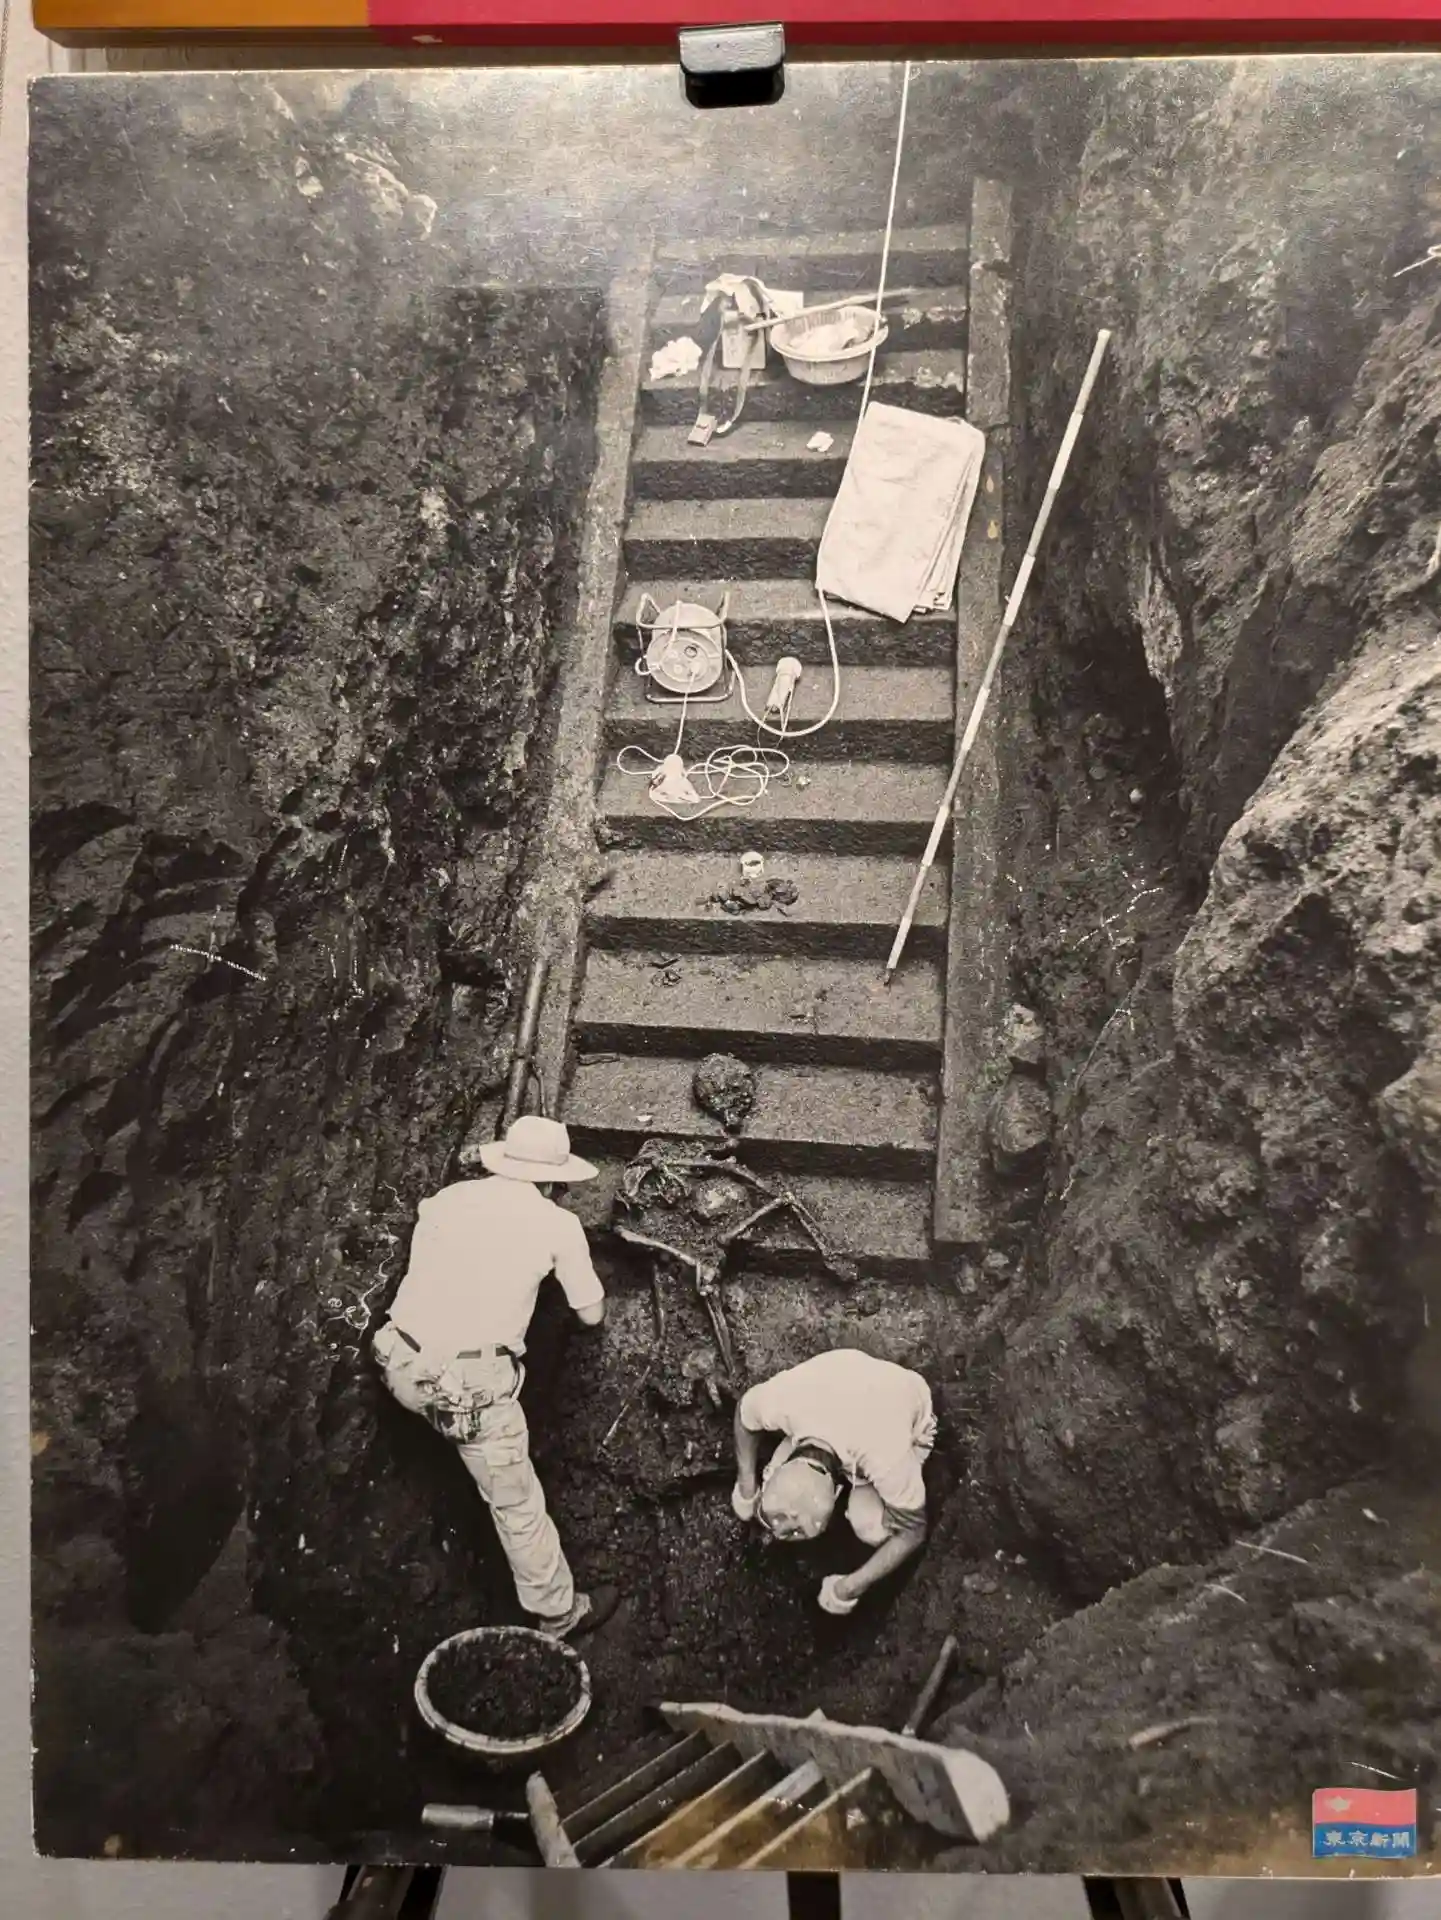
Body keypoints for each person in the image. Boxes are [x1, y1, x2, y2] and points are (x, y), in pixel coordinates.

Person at [372, 1114, 617, 1639]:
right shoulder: (558, 1225)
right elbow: (591, 1314)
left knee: (456, 1423)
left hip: (397, 1362)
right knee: (517, 1506)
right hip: (467, 1393)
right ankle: (559, 1613)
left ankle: (456, 1466)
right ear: (553, 1180)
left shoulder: (447, 1199)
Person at [730, 1347, 935, 1615]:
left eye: (796, 1532)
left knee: (870, 1526)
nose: (777, 1534)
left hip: (903, 1409)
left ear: (839, 1491)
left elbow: (913, 1530)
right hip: (843, 1391)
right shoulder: (783, 1403)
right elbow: (744, 1415)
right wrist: (747, 1487)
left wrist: (847, 1589)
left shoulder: (886, 1457)